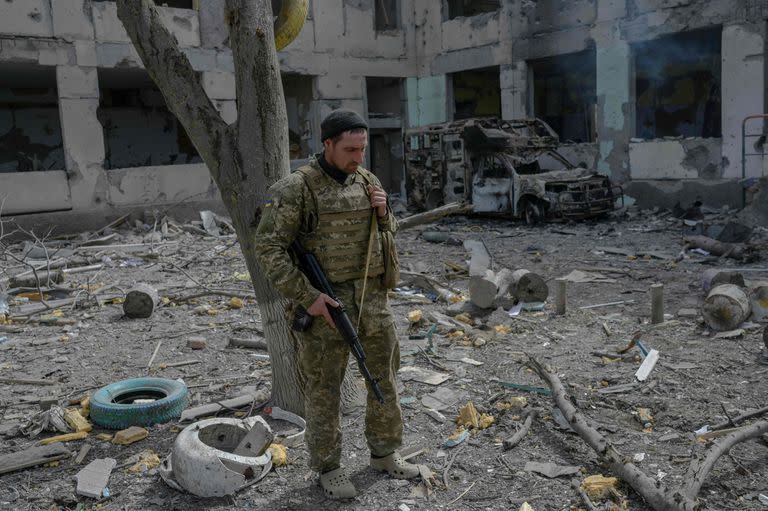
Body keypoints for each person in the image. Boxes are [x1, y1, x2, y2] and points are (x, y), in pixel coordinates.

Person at [253, 109, 419, 499]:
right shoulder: (296, 189)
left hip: (372, 300)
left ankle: (384, 452)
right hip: (325, 305)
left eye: (362, 149)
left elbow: (386, 234)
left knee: (384, 380)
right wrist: (308, 298)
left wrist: (383, 212)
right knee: (324, 390)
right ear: (326, 144)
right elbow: (268, 248)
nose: (358, 157)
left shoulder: (367, 181)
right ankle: (328, 467)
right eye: (349, 149)